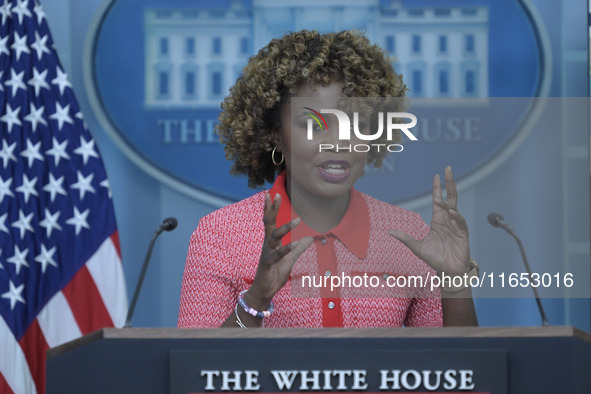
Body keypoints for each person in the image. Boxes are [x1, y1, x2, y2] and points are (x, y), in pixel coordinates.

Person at [178, 30, 478, 328]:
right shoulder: (220, 236)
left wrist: (455, 282)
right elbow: (194, 370)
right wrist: (257, 298)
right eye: (313, 124)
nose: (339, 142)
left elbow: (459, 371)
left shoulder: (408, 234)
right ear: (275, 135)